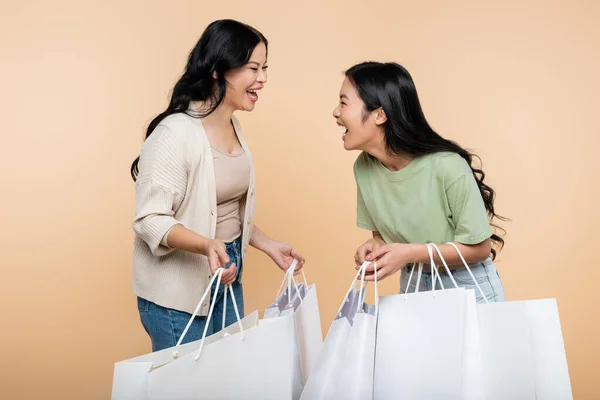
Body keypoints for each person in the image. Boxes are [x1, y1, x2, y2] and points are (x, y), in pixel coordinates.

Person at [131, 19, 305, 351]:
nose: (263, 79)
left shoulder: (234, 126)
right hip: (178, 295)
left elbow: (219, 208)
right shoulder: (173, 134)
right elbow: (149, 220)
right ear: (217, 70)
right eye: (253, 68)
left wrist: (267, 244)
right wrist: (206, 245)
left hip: (226, 276)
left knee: (222, 383)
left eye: (265, 67)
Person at [332, 61, 506, 302]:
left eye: (343, 102)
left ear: (380, 114)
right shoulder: (364, 167)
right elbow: (383, 235)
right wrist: (375, 247)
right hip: (414, 281)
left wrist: (410, 253)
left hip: (469, 286)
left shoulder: (447, 165)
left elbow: (480, 249)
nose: (336, 112)